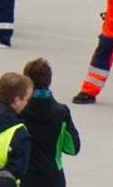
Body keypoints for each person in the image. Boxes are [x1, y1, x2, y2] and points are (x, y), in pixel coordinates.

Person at [15, 56, 81, 187]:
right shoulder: (61, 112)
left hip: (24, 176)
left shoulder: (18, 110)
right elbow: (72, 148)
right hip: (52, 178)